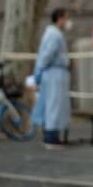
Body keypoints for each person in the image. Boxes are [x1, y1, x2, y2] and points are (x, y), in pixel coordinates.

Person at [33, 8, 72, 149]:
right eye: (66, 18)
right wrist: (38, 74)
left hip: (53, 74)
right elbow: (46, 56)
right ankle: (51, 138)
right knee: (53, 106)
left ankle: (51, 136)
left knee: (51, 105)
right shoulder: (54, 35)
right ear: (60, 19)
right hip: (54, 75)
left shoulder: (52, 34)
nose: (68, 21)